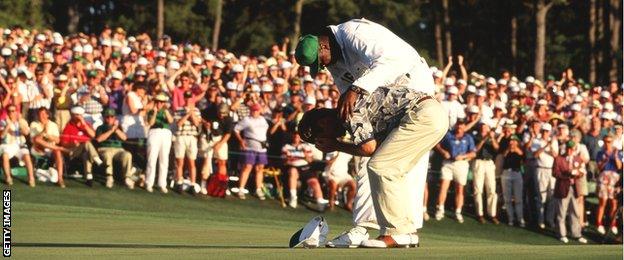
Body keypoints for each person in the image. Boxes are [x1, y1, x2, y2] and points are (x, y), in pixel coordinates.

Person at [295, 18, 439, 248]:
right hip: (393, 104)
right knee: (387, 164)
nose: (322, 67)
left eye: (320, 62)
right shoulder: (334, 60)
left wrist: (357, 89)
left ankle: (370, 228)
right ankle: (400, 230)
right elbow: (348, 106)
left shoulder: (355, 32)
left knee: (383, 164)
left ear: (324, 46)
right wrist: (345, 127)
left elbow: (391, 62)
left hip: (415, 85)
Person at [298, 85, 447, 248]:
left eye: (321, 137)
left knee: (381, 167)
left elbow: (368, 149)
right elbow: (374, 148)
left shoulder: (347, 108)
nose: (327, 139)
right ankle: (407, 233)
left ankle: (396, 232)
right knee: (393, 170)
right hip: (431, 114)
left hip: (422, 114)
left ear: (324, 122)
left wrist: (336, 145)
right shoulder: (349, 111)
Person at [434, 120, 475, 223]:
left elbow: (473, 153)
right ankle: (440, 209)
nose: (459, 130)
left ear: (464, 128)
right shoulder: (448, 135)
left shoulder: (468, 138)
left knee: (460, 188)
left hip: (461, 164)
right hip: (448, 163)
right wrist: (443, 152)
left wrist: (463, 156)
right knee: (444, 185)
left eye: (461, 128)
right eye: (458, 127)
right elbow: (437, 144)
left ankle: (458, 211)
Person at [552, 140, 588, 244]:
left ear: (574, 149)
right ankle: (562, 234)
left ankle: (576, 234)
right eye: (568, 148)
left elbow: (582, 171)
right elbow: (555, 173)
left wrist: (579, 173)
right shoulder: (559, 158)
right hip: (563, 187)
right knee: (562, 212)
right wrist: (567, 174)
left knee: (575, 212)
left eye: (571, 149)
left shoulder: (578, 159)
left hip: (574, 188)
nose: (569, 150)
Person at [233, 103, 269, 200]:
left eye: (257, 110)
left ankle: (258, 189)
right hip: (250, 148)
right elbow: (236, 130)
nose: (255, 112)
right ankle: (241, 188)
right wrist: (241, 141)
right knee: (247, 167)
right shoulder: (247, 120)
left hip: (261, 148)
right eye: (254, 110)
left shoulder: (263, 119)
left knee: (260, 168)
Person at [60, 106, 103, 186]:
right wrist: (73, 144)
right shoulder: (69, 126)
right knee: (86, 144)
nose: (77, 117)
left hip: (85, 151)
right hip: (73, 151)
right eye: (75, 115)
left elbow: (93, 135)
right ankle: (97, 159)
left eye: (79, 115)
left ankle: (89, 178)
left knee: (86, 153)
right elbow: (63, 143)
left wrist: (84, 125)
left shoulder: (86, 125)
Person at [95, 108, 134, 189]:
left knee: (127, 155)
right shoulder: (100, 128)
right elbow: (99, 139)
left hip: (118, 149)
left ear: (114, 118)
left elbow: (124, 138)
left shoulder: (118, 128)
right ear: (104, 118)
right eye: (107, 117)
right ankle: (109, 176)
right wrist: (110, 131)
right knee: (107, 155)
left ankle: (127, 177)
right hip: (105, 148)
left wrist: (115, 129)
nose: (109, 119)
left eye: (112, 117)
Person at [199, 103, 233, 195]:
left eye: (223, 113)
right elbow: (199, 117)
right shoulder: (210, 112)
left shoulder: (229, 119)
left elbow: (228, 134)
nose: (221, 115)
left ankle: (222, 185)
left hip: (220, 138)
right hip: (208, 137)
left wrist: (220, 144)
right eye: (220, 113)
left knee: (222, 162)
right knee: (207, 160)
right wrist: (204, 123)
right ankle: (203, 183)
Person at [29, 107, 67, 188]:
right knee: (37, 139)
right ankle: (61, 148)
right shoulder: (34, 124)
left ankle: (60, 178)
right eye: (40, 114)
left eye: (43, 114)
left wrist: (48, 136)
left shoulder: (53, 125)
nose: (41, 116)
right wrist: (43, 132)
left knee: (57, 152)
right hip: (38, 148)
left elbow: (57, 140)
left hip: (51, 149)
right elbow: (33, 140)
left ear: (47, 115)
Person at [173, 90, 201, 193]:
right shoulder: (179, 110)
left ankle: (192, 183)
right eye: (186, 97)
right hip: (181, 136)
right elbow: (178, 124)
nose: (188, 99)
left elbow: (197, 123)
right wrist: (187, 115)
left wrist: (191, 113)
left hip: (192, 137)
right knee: (180, 161)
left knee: (191, 161)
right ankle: (179, 182)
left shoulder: (196, 110)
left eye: (190, 97)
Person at [145, 93, 174, 193]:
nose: (159, 104)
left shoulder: (166, 111)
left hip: (165, 133)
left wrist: (165, 111)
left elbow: (170, 121)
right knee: (152, 158)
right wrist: (155, 113)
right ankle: (149, 183)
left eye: (162, 102)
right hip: (154, 132)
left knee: (164, 160)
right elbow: (151, 123)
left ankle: (162, 184)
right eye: (158, 102)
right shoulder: (151, 111)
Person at [0, 104, 35, 186]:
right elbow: (2, 135)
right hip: (7, 144)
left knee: (26, 156)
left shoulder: (22, 121)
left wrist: (19, 122)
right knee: (5, 155)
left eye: (13, 111)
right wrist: (8, 125)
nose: (11, 113)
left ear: (16, 112)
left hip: (20, 144)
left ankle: (31, 178)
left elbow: (26, 132)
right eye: (9, 111)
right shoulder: (2, 122)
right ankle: (8, 178)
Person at [471, 123, 500, 224]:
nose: (484, 129)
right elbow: (475, 150)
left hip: (489, 162)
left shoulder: (492, 138)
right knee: (478, 189)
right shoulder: (475, 136)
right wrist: (483, 139)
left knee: (492, 189)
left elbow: (497, 148)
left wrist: (492, 138)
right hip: (478, 162)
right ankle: (479, 214)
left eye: (485, 127)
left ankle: (492, 214)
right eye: (482, 127)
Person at [595, 134, 622, 235]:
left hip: (614, 179)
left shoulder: (617, 153)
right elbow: (599, 167)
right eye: (606, 141)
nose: (607, 144)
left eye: (609, 142)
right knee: (603, 201)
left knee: (613, 202)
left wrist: (615, 156)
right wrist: (605, 159)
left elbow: (619, 167)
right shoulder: (600, 153)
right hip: (604, 177)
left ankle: (612, 224)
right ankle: (599, 223)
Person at [501, 135, 525, 227]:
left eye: (514, 141)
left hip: (516, 173)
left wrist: (516, 149)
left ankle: (520, 219)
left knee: (518, 198)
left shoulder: (519, 151)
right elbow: (504, 155)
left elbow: (523, 157)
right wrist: (509, 148)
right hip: (507, 173)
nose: (512, 143)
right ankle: (510, 218)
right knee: (507, 198)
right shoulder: (506, 150)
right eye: (511, 141)